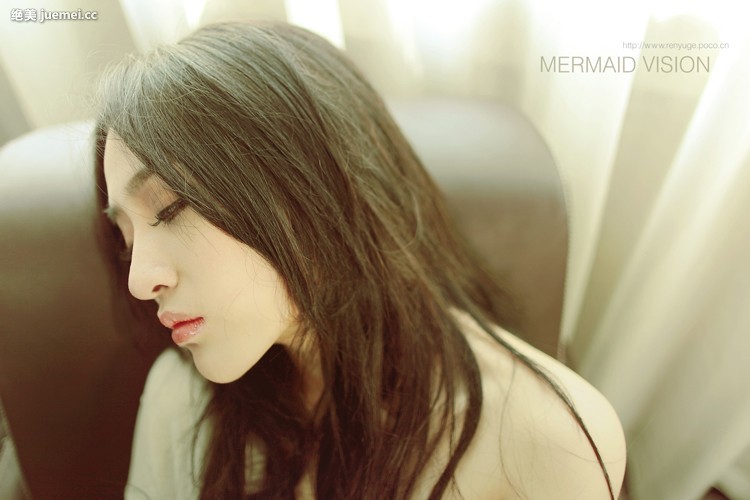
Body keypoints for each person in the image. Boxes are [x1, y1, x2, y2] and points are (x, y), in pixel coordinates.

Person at [93, 21, 626, 499]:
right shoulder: (181, 399)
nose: (139, 280)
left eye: (169, 208)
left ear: (311, 185)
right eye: (126, 237)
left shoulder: (547, 445)